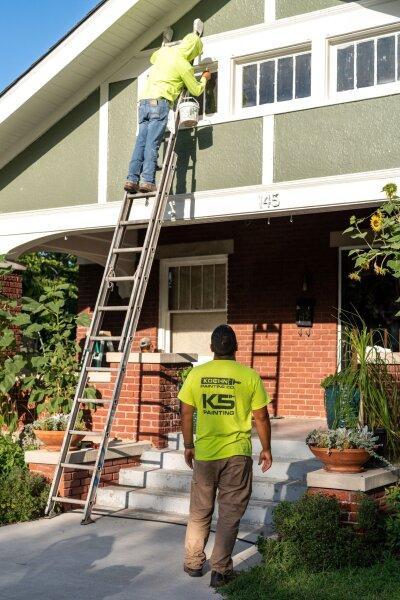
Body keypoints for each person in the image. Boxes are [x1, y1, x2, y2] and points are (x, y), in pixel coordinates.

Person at [178, 324, 273, 589]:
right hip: (236, 455)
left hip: (205, 453)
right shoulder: (249, 376)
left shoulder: (196, 375)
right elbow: (261, 417)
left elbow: (186, 413)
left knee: (200, 511)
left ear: (211, 348)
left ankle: (193, 563)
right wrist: (266, 448)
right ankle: (220, 571)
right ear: (236, 347)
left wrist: (188, 445)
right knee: (229, 514)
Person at [124, 33, 211, 194]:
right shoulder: (184, 65)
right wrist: (205, 78)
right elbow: (196, 90)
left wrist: (166, 44)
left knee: (141, 143)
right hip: (160, 103)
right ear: (193, 51)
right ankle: (147, 181)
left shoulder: (165, 51)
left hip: (143, 103)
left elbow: (153, 58)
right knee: (152, 143)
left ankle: (131, 179)